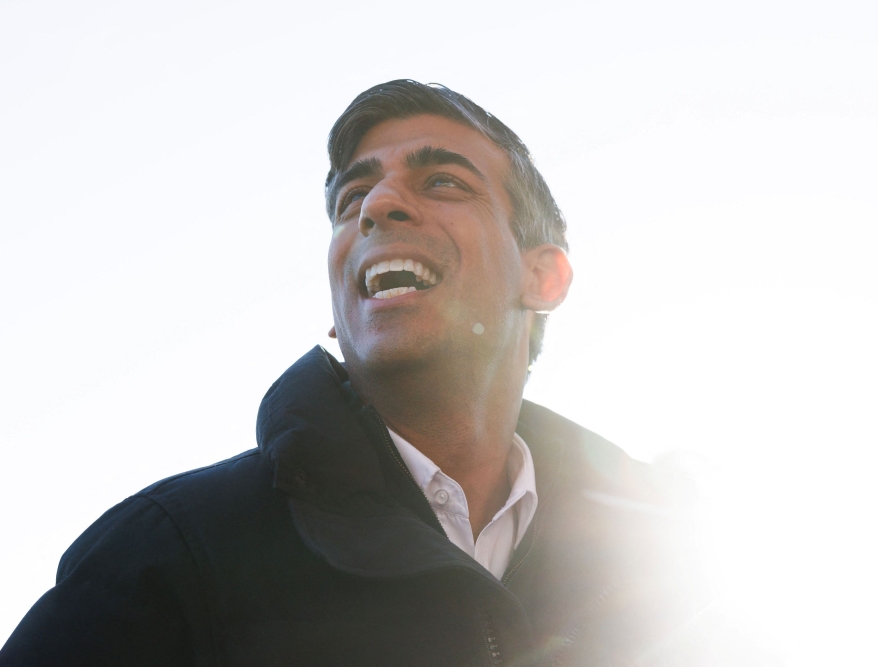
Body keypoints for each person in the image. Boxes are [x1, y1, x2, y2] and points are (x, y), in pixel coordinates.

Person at [1, 80, 757, 666]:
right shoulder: (171, 554)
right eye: (352, 199)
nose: (376, 208)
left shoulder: (667, 583)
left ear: (544, 276)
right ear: (342, 307)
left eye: (443, 183)